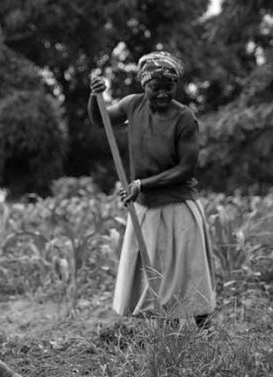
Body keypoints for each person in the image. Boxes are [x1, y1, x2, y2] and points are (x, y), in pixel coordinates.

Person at [87, 50, 216, 329]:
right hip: (145, 205)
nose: (161, 94)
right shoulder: (133, 105)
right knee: (156, 273)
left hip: (178, 203)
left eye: (168, 88)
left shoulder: (184, 118)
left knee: (189, 271)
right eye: (154, 88)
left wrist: (142, 184)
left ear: (176, 86)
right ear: (144, 85)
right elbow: (101, 120)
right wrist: (94, 96)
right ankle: (167, 335)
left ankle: (205, 331)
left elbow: (187, 169)